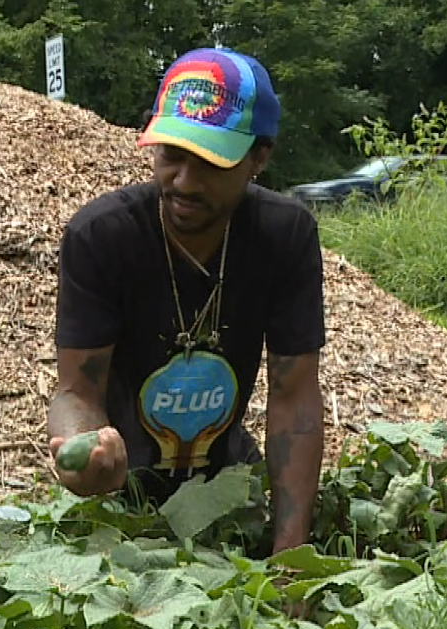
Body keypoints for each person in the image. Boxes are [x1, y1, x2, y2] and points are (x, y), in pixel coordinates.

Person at [48, 46, 326, 554]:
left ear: (258, 157)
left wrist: (291, 553)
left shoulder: (285, 238)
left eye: (211, 163)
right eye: (171, 155)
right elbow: (75, 391)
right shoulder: (102, 237)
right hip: (116, 504)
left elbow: (295, 401)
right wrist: (80, 450)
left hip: (225, 495)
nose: (184, 182)